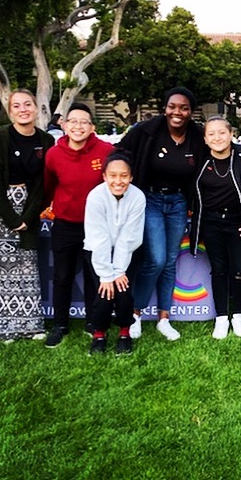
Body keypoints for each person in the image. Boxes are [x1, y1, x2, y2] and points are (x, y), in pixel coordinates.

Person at [116, 86, 206, 341]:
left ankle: (164, 318)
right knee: (155, 259)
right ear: (165, 108)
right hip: (150, 200)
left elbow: (221, 149)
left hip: (179, 203)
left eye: (184, 108)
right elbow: (119, 152)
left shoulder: (197, 135)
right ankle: (135, 314)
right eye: (172, 106)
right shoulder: (146, 131)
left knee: (169, 261)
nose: (177, 112)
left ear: (191, 112)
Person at [0, 89, 54, 342]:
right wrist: (11, 218)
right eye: (16, 106)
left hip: (29, 210)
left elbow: (44, 184)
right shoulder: (0, 137)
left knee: (25, 269)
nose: (23, 109)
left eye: (27, 104)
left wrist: (28, 216)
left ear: (36, 108)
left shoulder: (47, 141)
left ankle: (27, 326)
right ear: (10, 111)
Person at [189, 117, 241, 339]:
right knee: (219, 269)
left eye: (222, 133)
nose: (217, 138)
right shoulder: (198, 161)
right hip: (211, 222)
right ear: (205, 139)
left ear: (231, 134)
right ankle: (222, 317)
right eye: (211, 134)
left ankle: (238, 315)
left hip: (240, 222)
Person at [43, 102, 114, 348]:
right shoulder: (54, 154)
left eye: (84, 122)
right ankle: (60, 324)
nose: (78, 126)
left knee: (95, 276)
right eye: (73, 121)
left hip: (97, 226)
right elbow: (49, 186)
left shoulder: (106, 151)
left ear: (92, 127)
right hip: (65, 224)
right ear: (64, 125)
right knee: (62, 276)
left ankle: (94, 321)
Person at [82, 151, 146, 355]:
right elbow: (98, 237)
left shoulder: (137, 196)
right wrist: (106, 274)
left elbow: (129, 236)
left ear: (131, 177)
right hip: (97, 251)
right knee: (104, 293)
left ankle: (124, 334)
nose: (118, 181)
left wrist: (118, 271)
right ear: (104, 176)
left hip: (128, 251)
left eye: (124, 175)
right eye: (113, 175)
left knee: (124, 293)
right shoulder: (95, 196)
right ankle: (99, 335)